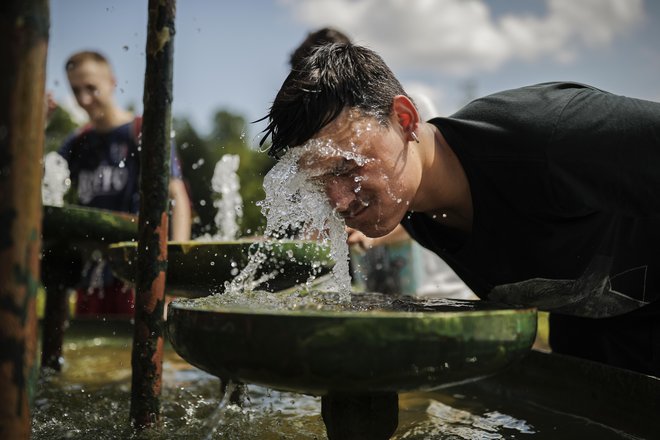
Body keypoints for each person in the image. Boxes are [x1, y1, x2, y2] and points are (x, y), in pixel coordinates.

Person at [259, 43, 660, 377]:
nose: (341, 200)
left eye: (347, 166)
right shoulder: (412, 206)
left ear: (404, 119)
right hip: (599, 346)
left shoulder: (550, 138)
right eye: (319, 182)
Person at [289, 29, 477, 300]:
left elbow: (426, 195)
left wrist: (372, 235)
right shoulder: (317, 146)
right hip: (389, 284)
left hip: (442, 281)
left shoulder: (396, 113)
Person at [55, 50, 192, 316]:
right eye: (75, 90)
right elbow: (35, 182)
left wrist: (172, 268)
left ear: (112, 82)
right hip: (92, 277)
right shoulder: (77, 143)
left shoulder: (143, 131)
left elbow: (177, 196)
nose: (84, 98)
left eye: (91, 88)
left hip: (138, 272)